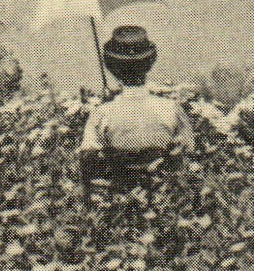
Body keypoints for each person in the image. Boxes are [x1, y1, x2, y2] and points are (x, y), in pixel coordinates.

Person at [79, 26, 195, 184]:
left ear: (112, 68)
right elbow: (187, 153)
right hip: (167, 201)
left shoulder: (101, 114)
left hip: (121, 202)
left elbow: (88, 162)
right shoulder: (172, 109)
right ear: (150, 63)